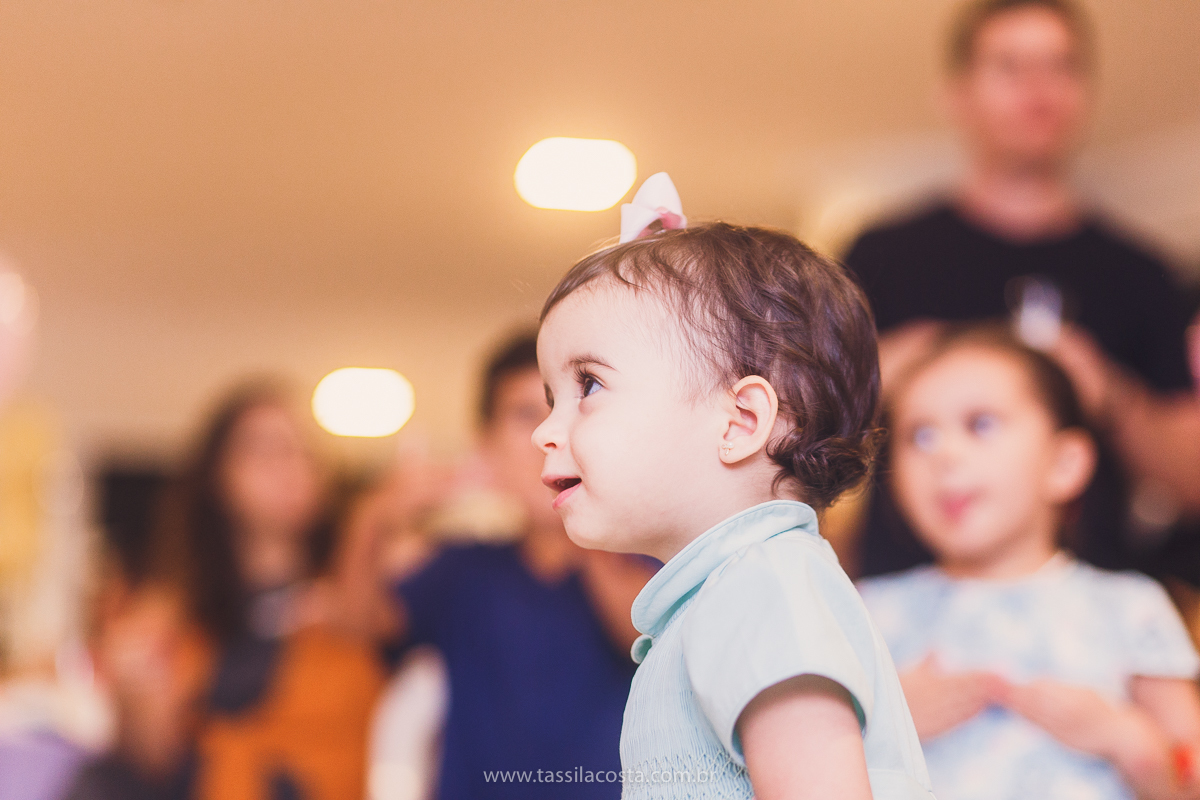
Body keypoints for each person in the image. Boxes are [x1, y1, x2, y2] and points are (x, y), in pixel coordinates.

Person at [533, 182, 933, 799]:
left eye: (588, 386)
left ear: (740, 422)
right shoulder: (731, 589)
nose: (544, 430)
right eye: (550, 398)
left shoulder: (761, 585)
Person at [843, 0, 1200, 579]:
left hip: (1088, 613)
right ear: (956, 94)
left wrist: (1108, 393)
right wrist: (882, 374)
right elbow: (791, 439)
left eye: (1061, 66)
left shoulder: (1143, 273)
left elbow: (1191, 482)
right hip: (902, 607)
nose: (1039, 88)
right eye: (1009, 66)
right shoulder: (881, 255)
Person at [858, 326, 1200, 800]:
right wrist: (881, 730)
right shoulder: (865, 612)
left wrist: (1125, 737)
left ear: (1065, 463)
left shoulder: (1130, 607)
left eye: (980, 424)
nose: (945, 455)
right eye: (920, 435)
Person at [338, 334, 655, 800]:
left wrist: (578, 515)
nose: (548, 436)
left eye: (568, 410)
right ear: (485, 442)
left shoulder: (642, 558)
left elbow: (643, 637)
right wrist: (372, 520)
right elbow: (356, 627)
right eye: (525, 413)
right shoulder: (463, 568)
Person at [69, 383, 384, 800]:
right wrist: (136, 696)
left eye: (302, 450)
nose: (289, 466)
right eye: (264, 450)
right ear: (218, 475)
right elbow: (149, 761)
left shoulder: (353, 607)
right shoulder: (175, 612)